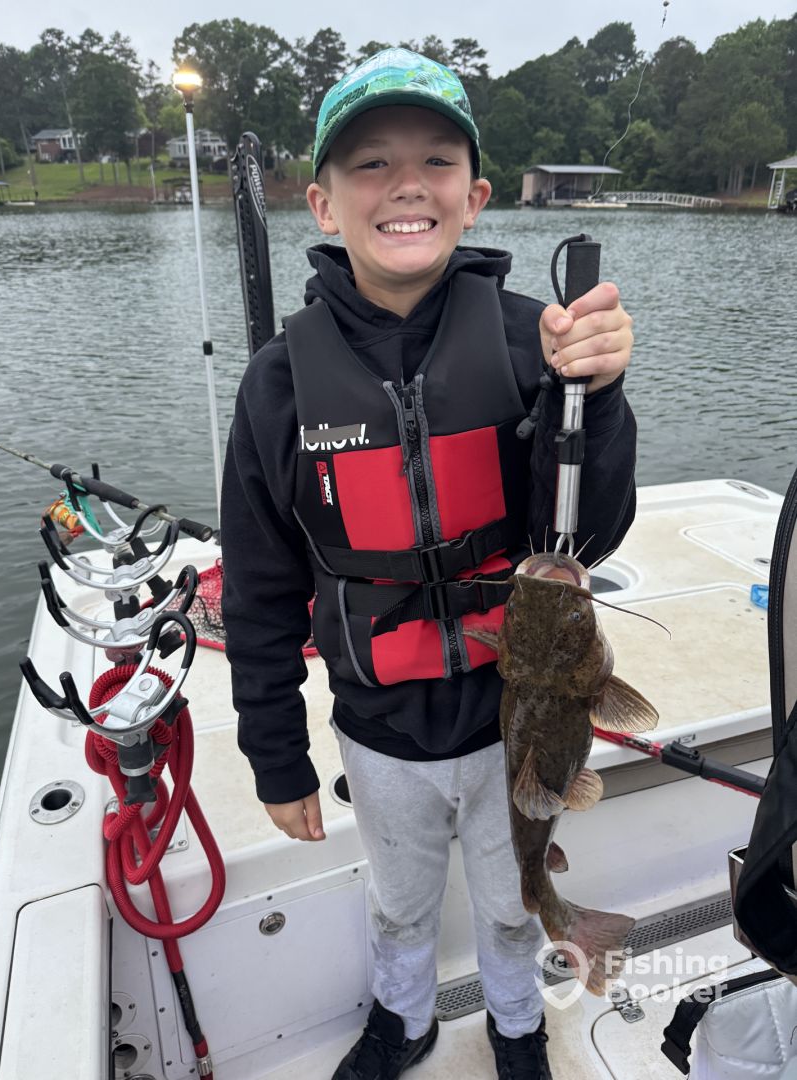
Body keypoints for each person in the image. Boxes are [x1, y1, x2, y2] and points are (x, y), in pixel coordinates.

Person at [221, 47, 637, 1080]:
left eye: (437, 161)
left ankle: (516, 1027)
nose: (407, 184)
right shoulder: (277, 386)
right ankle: (401, 1021)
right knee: (399, 902)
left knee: (510, 905)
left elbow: (590, 533)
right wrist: (277, 754)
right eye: (371, 164)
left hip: (515, 726)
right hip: (379, 730)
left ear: (475, 195)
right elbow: (261, 592)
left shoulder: (535, 342)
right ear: (324, 203)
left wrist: (599, 398)